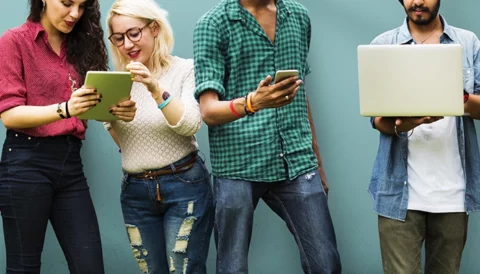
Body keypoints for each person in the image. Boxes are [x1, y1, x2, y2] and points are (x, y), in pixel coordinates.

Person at [193, 0, 342, 273]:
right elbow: (208, 111)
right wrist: (253, 102)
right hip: (237, 166)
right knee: (232, 268)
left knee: (326, 264)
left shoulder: (298, 16)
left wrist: (317, 162)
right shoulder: (212, 24)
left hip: (297, 161)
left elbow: (299, 93)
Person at [0, 0, 137, 273]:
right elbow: (9, 114)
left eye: (82, 6)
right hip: (25, 164)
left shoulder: (81, 47)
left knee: (90, 266)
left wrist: (117, 111)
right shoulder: (14, 41)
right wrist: (65, 109)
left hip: (70, 164)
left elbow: (92, 109)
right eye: (67, 3)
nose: (75, 14)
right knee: (24, 267)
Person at [369, 0, 480, 272]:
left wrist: (458, 97)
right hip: (398, 194)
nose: (417, 1)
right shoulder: (382, 45)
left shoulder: (467, 42)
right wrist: (405, 124)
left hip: (454, 193)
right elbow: (377, 120)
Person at [104, 0, 214, 273]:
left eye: (134, 33)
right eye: (118, 38)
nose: (127, 45)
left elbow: (190, 125)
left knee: (185, 269)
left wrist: (154, 87)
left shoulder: (186, 69)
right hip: (135, 191)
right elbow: (123, 142)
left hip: (184, 185)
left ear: (154, 28)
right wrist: (110, 117)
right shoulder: (117, 82)